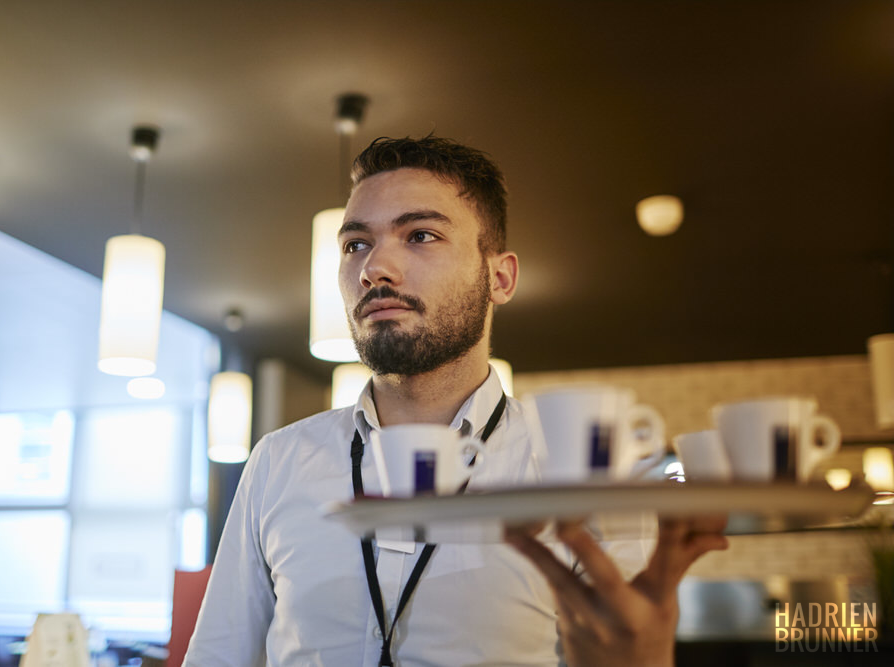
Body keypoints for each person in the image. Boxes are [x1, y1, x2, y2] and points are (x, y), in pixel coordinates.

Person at [185, 136, 727, 666]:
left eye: (420, 235)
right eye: (355, 244)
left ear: (500, 277)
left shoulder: (580, 472)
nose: (375, 268)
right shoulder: (278, 461)